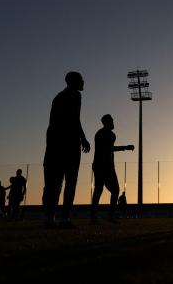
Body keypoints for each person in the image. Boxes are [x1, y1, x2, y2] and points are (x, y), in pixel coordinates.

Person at [42, 71, 91, 228]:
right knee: (69, 181)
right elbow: (74, 118)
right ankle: (64, 218)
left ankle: (50, 217)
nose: (83, 81)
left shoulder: (59, 96)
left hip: (54, 143)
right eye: (81, 79)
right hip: (67, 143)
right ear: (74, 81)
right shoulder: (75, 95)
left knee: (54, 183)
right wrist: (82, 138)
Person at [90, 114, 134, 223]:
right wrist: (125, 147)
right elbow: (109, 149)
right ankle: (101, 216)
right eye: (111, 121)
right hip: (103, 166)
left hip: (106, 165)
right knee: (103, 189)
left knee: (106, 190)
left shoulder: (110, 134)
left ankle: (103, 216)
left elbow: (110, 149)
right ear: (106, 122)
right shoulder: (102, 134)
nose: (113, 122)